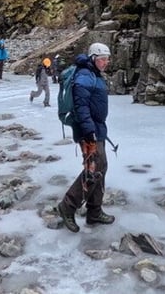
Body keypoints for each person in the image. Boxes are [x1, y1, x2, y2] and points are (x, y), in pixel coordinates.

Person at [56, 42, 114, 232]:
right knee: (94, 168)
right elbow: (81, 106)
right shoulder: (84, 76)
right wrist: (89, 130)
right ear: (93, 58)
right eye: (102, 59)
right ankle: (67, 206)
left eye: (107, 59)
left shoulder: (93, 74)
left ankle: (94, 211)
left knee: (101, 167)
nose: (106, 63)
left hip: (97, 129)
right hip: (88, 132)